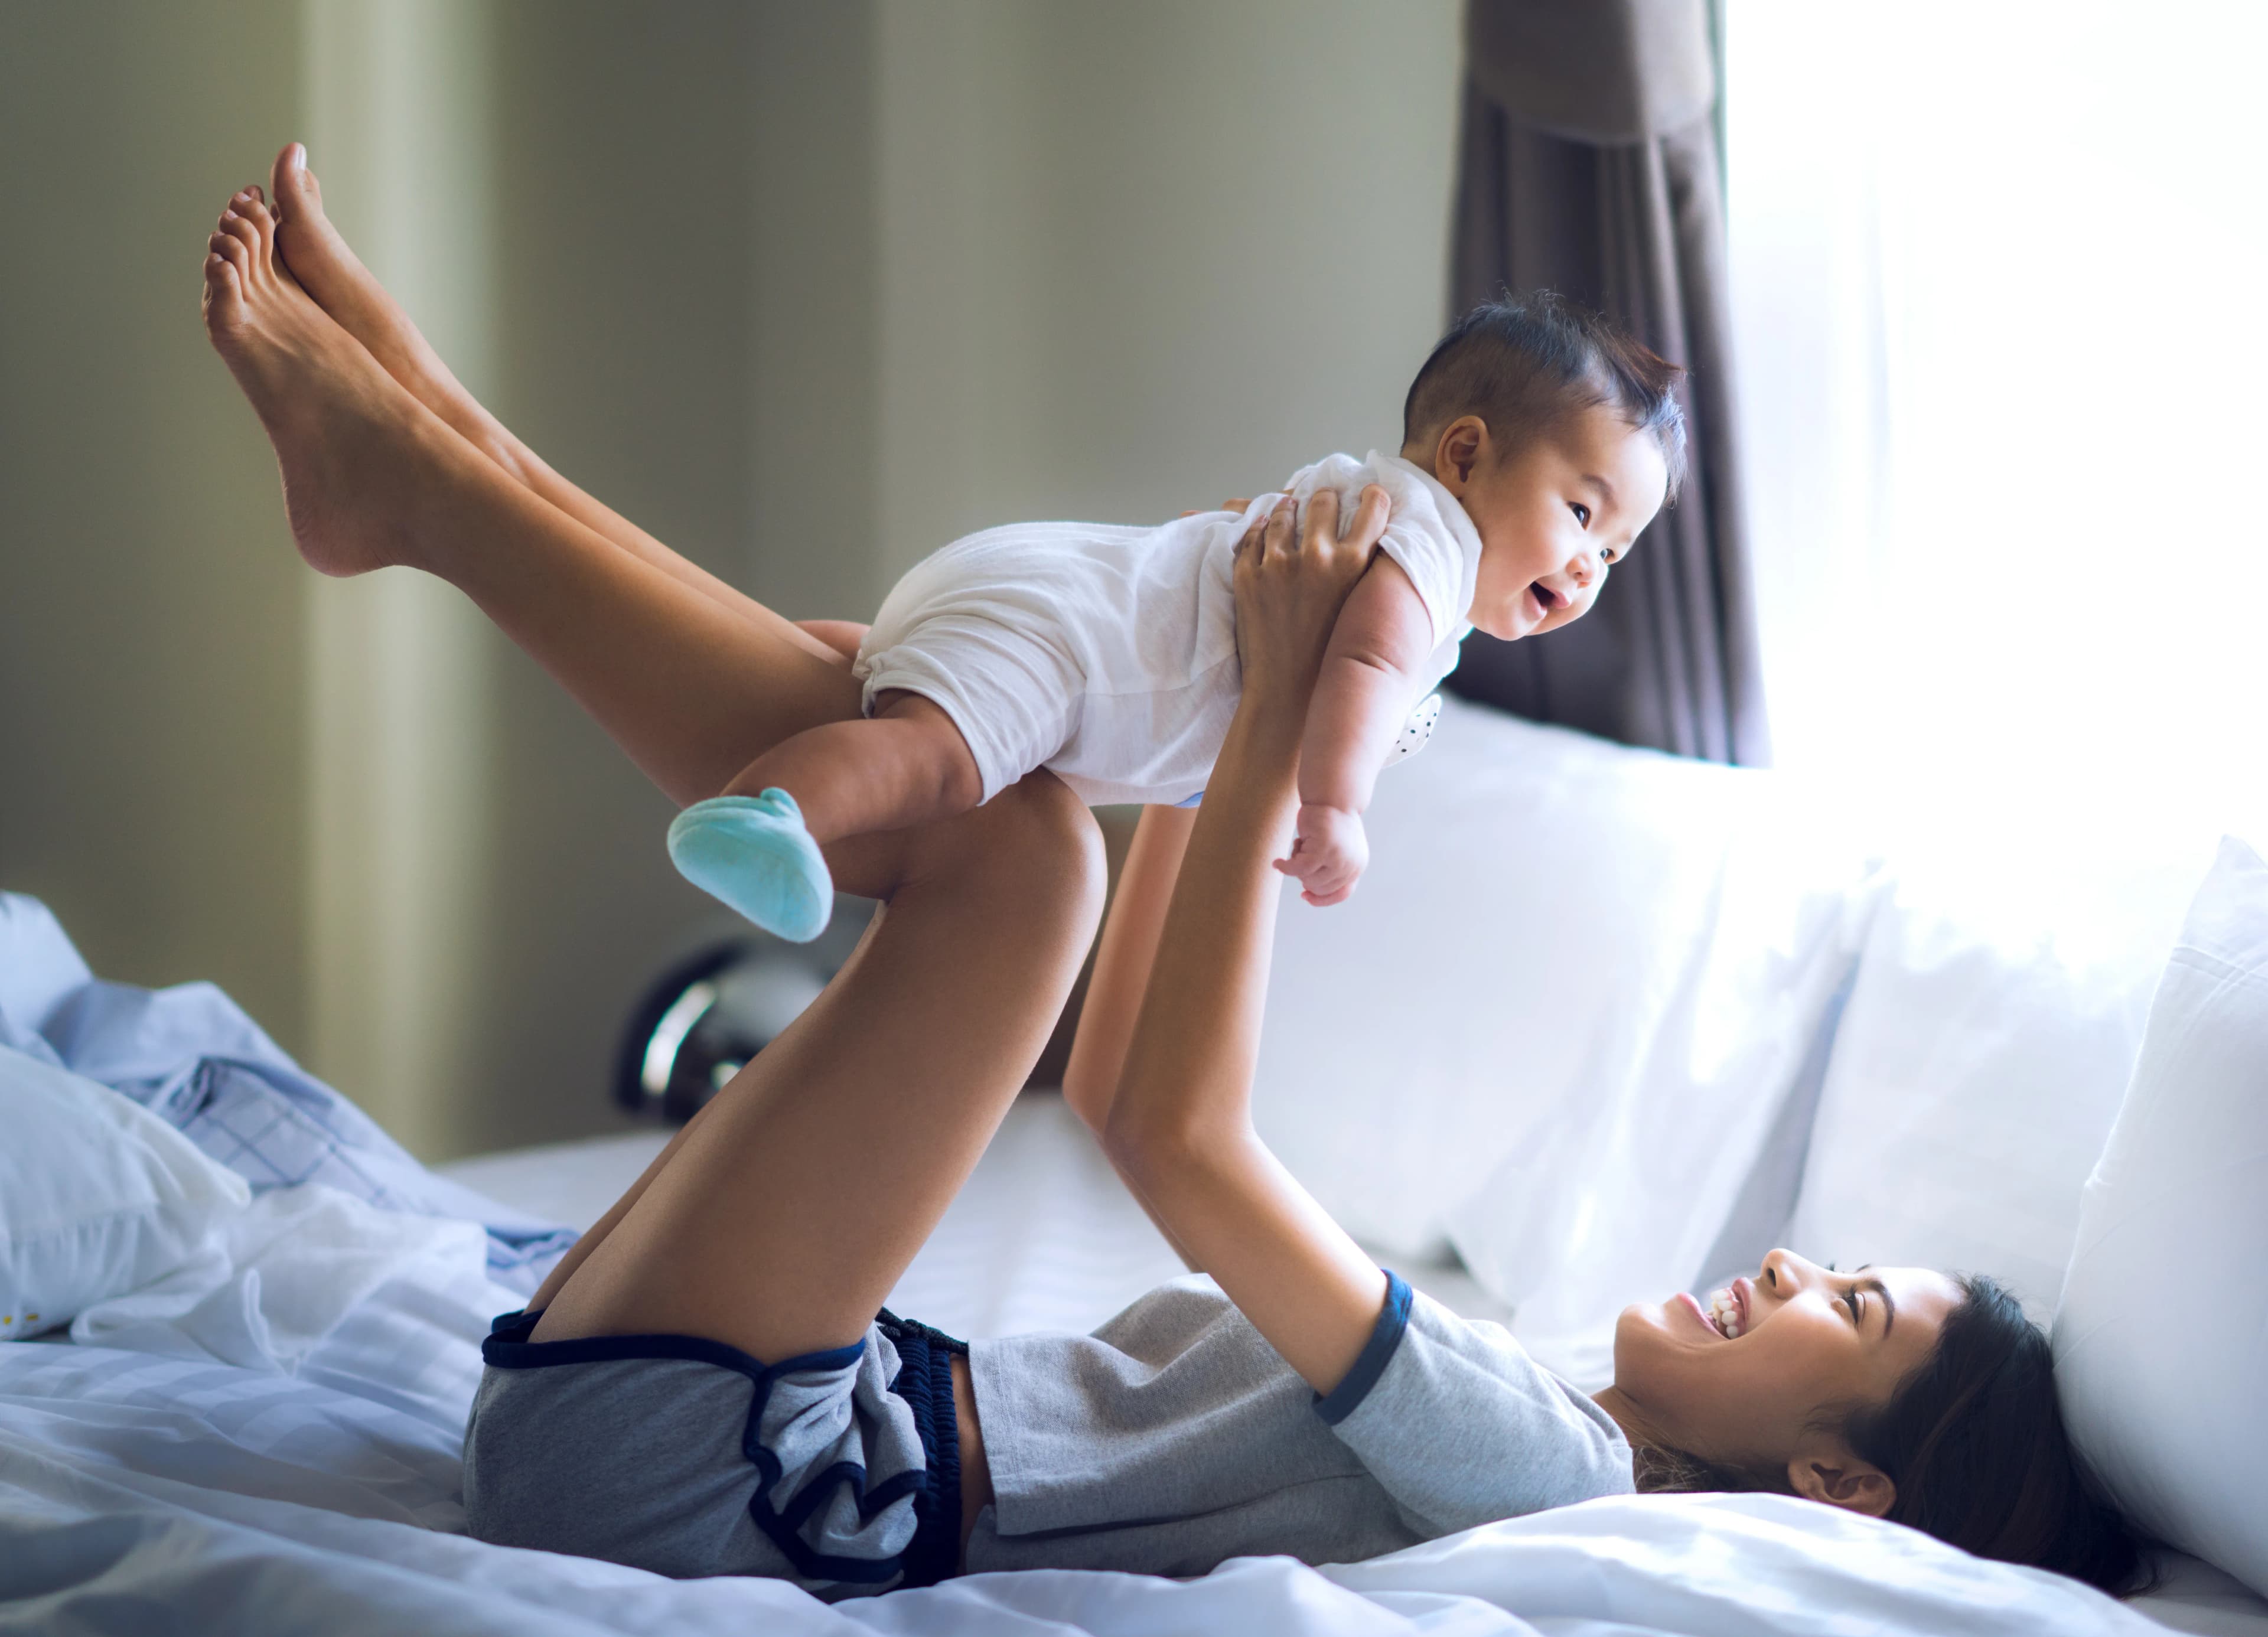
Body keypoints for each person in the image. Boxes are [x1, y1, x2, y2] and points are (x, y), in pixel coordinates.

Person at [199, 144, 2151, 1600]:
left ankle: (439, 483)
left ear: (1843, 1489)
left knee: (1014, 847)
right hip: (709, 1421)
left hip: (715, 1477)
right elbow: (1125, 1065)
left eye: (1856, 1314)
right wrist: (1190, 720)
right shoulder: (1544, 1391)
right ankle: (442, 462)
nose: (1796, 1265)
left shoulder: (1550, 1462)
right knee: (958, 739)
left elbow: (1173, 1140)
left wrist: (1289, 689)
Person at [664, 295, 1683, 944]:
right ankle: (771, 809)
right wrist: (1334, 810)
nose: (1590, 563)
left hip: (1053, 591)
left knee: (880, 685)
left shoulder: (1370, 506)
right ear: (1463, 456)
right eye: (1582, 512)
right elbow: (1367, 669)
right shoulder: (1428, 552)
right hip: (1069, 651)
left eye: (1615, 550)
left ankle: (811, 660)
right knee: (941, 763)